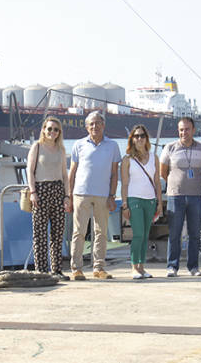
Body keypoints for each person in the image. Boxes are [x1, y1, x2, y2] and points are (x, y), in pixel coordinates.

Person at [68, 111, 122, 280]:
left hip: (103, 195)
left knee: (101, 232)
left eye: (98, 123)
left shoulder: (112, 146)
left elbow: (114, 174)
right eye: (91, 124)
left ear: (103, 125)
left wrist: (112, 195)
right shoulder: (78, 144)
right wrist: (68, 196)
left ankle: (99, 268)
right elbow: (73, 171)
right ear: (86, 127)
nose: (95, 126)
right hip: (81, 194)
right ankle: (76, 268)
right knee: (79, 232)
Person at [160, 117, 201, 277]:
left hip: (196, 196)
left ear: (193, 130)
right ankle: (172, 266)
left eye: (187, 129)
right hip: (175, 196)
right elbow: (163, 171)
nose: (184, 132)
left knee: (195, 233)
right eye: (181, 129)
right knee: (174, 233)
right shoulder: (170, 147)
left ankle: (193, 267)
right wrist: (174, 184)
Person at [26, 116, 71, 280]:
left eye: (56, 129)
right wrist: (33, 192)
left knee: (58, 234)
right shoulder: (37, 147)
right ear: (44, 130)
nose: (52, 132)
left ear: (59, 132)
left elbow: (65, 176)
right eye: (49, 128)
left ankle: (57, 270)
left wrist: (67, 196)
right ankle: (41, 271)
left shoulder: (61, 150)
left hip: (58, 191)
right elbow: (30, 171)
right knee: (40, 234)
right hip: (41, 190)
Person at [121, 125, 162, 279]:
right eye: (136, 136)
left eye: (142, 136)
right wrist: (124, 204)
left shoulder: (154, 158)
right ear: (132, 138)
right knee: (138, 234)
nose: (139, 138)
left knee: (145, 235)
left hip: (150, 200)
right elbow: (124, 184)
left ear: (146, 139)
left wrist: (159, 202)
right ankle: (134, 266)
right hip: (134, 198)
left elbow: (157, 182)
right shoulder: (127, 159)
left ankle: (142, 266)